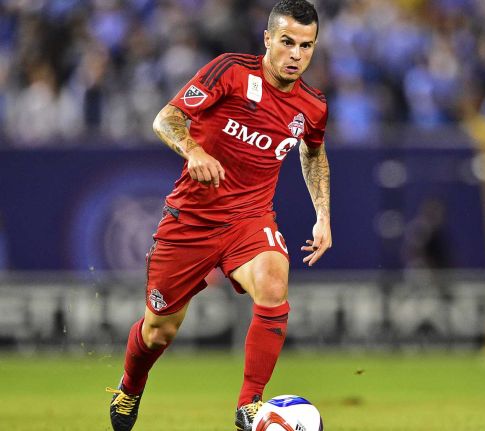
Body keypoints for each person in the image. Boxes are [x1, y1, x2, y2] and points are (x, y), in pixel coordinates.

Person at [105, 1, 331, 430]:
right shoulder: (229, 71)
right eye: (287, 42)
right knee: (158, 331)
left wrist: (323, 215)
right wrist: (193, 150)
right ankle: (130, 386)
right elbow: (167, 118)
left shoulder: (313, 105)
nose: (296, 54)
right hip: (191, 220)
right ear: (268, 39)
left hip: (250, 219)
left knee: (273, 279)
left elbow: (313, 152)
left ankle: (250, 404)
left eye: (306, 46)